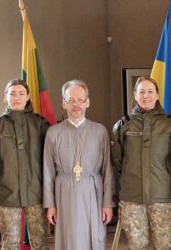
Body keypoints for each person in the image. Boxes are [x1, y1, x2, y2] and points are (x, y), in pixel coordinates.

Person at [111, 76, 171, 249]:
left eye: (150, 91)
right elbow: (118, 161)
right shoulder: (122, 126)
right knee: (137, 246)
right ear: (135, 95)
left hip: (163, 199)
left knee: (164, 246)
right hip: (132, 200)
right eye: (141, 91)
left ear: (157, 95)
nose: (146, 96)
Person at [43, 79, 114, 250]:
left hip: (92, 190)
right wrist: (50, 205)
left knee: (93, 239)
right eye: (71, 100)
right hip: (64, 191)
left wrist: (107, 203)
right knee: (69, 240)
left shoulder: (100, 131)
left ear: (87, 102)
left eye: (80, 100)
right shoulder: (53, 132)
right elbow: (48, 171)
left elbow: (107, 171)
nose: (76, 105)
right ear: (64, 103)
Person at [0, 79, 50, 250]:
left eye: (21, 94)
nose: (17, 97)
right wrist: (5, 174)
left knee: (40, 243)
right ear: (6, 97)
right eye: (12, 93)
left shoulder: (40, 124)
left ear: (28, 97)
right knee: (10, 243)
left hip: (36, 193)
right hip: (6, 194)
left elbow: (50, 156)